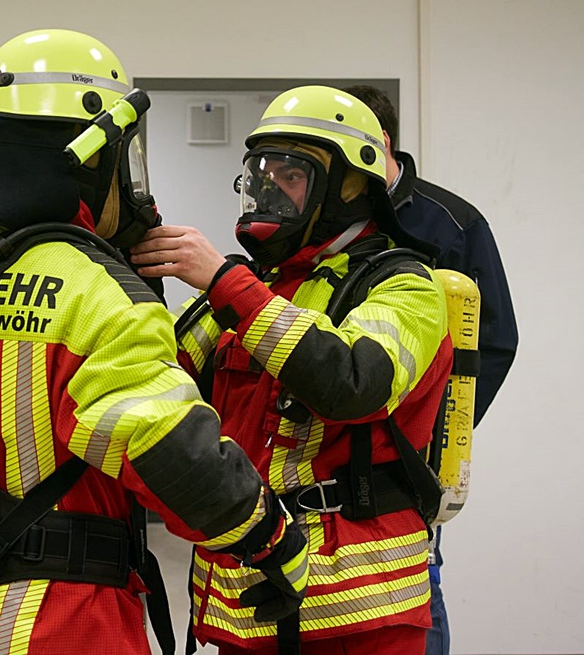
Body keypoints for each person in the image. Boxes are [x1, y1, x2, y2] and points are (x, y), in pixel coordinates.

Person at [0, 29, 309, 655]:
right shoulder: (95, 289)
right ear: (89, 161)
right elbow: (169, 453)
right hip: (55, 623)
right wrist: (270, 536)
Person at [131, 85, 453, 654]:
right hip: (246, 600)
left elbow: (353, 382)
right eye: (261, 173)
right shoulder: (253, 289)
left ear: (348, 187)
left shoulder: (404, 285)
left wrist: (227, 283)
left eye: (291, 175)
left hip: (358, 612)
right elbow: (159, 378)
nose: (267, 190)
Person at [344, 84, 518, 655]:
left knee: (416, 583)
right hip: (333, 438)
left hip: (411, 453)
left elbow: (493, 342)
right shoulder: (325, 214)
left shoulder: (454, 223)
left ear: (380, 142)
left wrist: (436, 432)